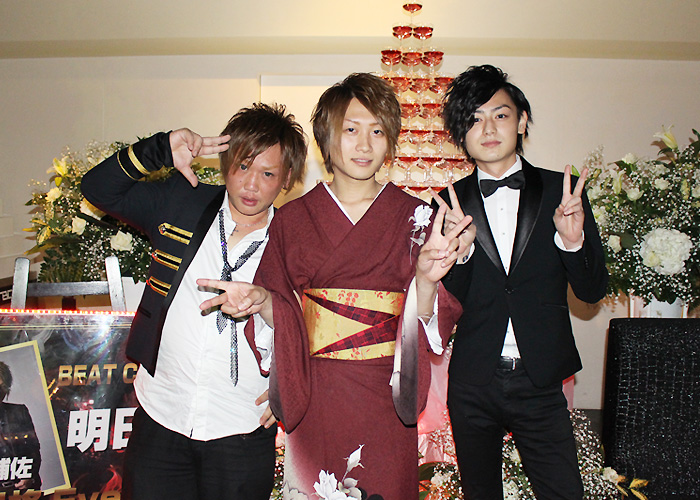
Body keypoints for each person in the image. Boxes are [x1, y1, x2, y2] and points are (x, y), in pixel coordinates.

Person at [198, 73, 468, 500]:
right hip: (317, 393)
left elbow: (429, 319)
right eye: (351, 130)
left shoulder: (418, 218)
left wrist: (424, 281)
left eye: (377, 131)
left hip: (387, 392)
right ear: (326, 137)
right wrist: (264, 301)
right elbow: (281, 310)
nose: (364, 145)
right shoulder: (292, 219)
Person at [81, 103, 307, 500]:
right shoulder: (182, 203)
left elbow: (314, 325)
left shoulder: (298, 241)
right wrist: (159, 150)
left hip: (241, 425)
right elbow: (97, 189)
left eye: (268, 173)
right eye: (242, 166)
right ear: (225, 162)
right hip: (162, 415)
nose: (251, 185)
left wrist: (290, 388)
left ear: (287, 178)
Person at [434, 64, 608, 499]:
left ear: (522, 121)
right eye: (474, 119)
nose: (488, 128)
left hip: (541, 378)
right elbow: (443, 304)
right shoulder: (448, 203)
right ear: (461, 134)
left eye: (500, 114)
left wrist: (572, 242)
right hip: (473, 379)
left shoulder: (562, 192)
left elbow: (592, 292)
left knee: (564, 491)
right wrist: (461, 255)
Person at [0, 362, 42, 493]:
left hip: (22, 489)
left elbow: (34, 449)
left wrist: (29, 475)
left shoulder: (19, 412)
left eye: (2, 387)